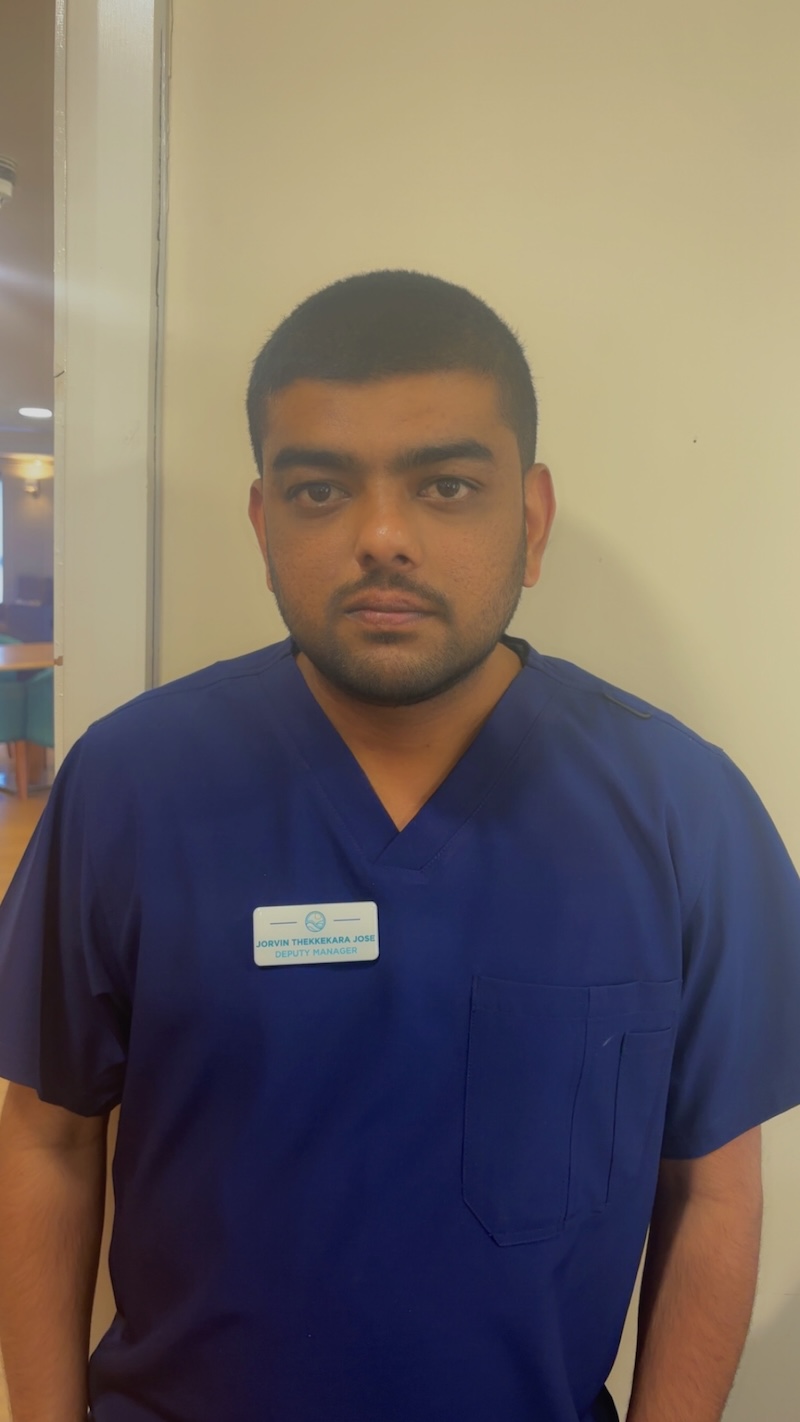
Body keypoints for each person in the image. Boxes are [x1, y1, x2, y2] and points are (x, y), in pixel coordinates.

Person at [0, 270, 799, 1422]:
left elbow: (713, 1189)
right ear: (264, 523)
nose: (381, 538)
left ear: (527, 520)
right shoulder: (131, 784)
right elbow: (49, 1137)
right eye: (320, 491)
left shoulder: (682, 811)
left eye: (444, 485)